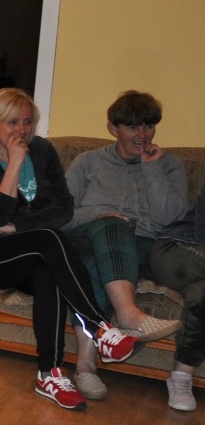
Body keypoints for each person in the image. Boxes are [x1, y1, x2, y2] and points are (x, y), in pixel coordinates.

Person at [0, 88, 136, 410]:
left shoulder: (42, 151)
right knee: (48, 238)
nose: (22, 130)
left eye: (28, 122)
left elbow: (64, 209)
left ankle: (49, 373)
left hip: (32, 249)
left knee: (49, 273)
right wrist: (14, 164)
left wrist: (17, 226)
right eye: (13, 122)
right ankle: (98, 326)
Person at [61, 91, 187, 405]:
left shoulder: (169, 165)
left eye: (148, 126)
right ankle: (129, 316)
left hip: (142, 248)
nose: (142, 135)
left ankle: (86, 366)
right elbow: (61, 215)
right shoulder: (88, 162)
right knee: (112, 226)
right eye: (132, 127)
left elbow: (171, 218)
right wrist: (100, 216)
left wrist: (151, 169)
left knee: (89, 266)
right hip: (87, 236)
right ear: (112, 128)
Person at [150, 185, 205, 411]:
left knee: (201, 293)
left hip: (199, 275)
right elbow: (202, 231)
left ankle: (181, 376)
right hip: (177, 248)